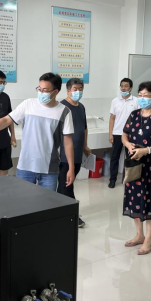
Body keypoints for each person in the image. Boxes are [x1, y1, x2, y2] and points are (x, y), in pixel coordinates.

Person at [0, 73, 75, 191]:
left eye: (45, 90)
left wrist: (71, 168)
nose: (41, 92)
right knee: (23, 200)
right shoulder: (28, 104)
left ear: (55, 92)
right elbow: (6, 120)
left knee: (47, 201)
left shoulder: (64, 112)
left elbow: (68, 142)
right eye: (39, 89)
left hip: (49, 170)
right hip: (25, 167)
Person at [121, 81, 151, 255]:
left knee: (149, 200)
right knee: (134, 198)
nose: (142, 98)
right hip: (134, 162)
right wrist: (128, 145)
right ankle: (139, 235)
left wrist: (146, 150)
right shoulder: (134, 115)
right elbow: (124, 134)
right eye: (140, 95)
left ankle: (148, 240)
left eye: (146, 96)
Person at [57, 78, 92, 228]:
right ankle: (72, 216)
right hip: (64, 155)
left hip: (77, 153)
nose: (78, 92)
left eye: (80, 89)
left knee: (65, 185)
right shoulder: (61, 107)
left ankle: (60, 212)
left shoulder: (81, 107)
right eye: (75, 89)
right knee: (67, 184)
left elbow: (84, 128)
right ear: (68, 90)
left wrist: (85, 145)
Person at [108, 78, 139, 188]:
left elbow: (139, 118)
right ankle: (112, 180)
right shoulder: (115, 101)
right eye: (122, 86)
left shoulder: (136, 101)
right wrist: (110, 134)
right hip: (117, 133)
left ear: (130, 88)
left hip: (131, 135)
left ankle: (128, 179)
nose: (123, 88)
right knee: (114, 157)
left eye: (126, 86)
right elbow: (112, 118)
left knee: (130, 157)